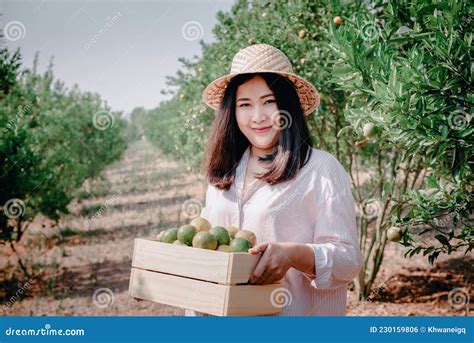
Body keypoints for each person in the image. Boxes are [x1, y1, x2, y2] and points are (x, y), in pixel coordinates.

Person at [185, 44, 362, 316]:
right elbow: (210, 249)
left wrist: (293, 255)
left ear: (287, 105)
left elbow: (348, 262)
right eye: (245, 105)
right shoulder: (224, 172)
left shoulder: (320, 169)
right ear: (232, 112)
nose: (258, 117)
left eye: (269, 101)